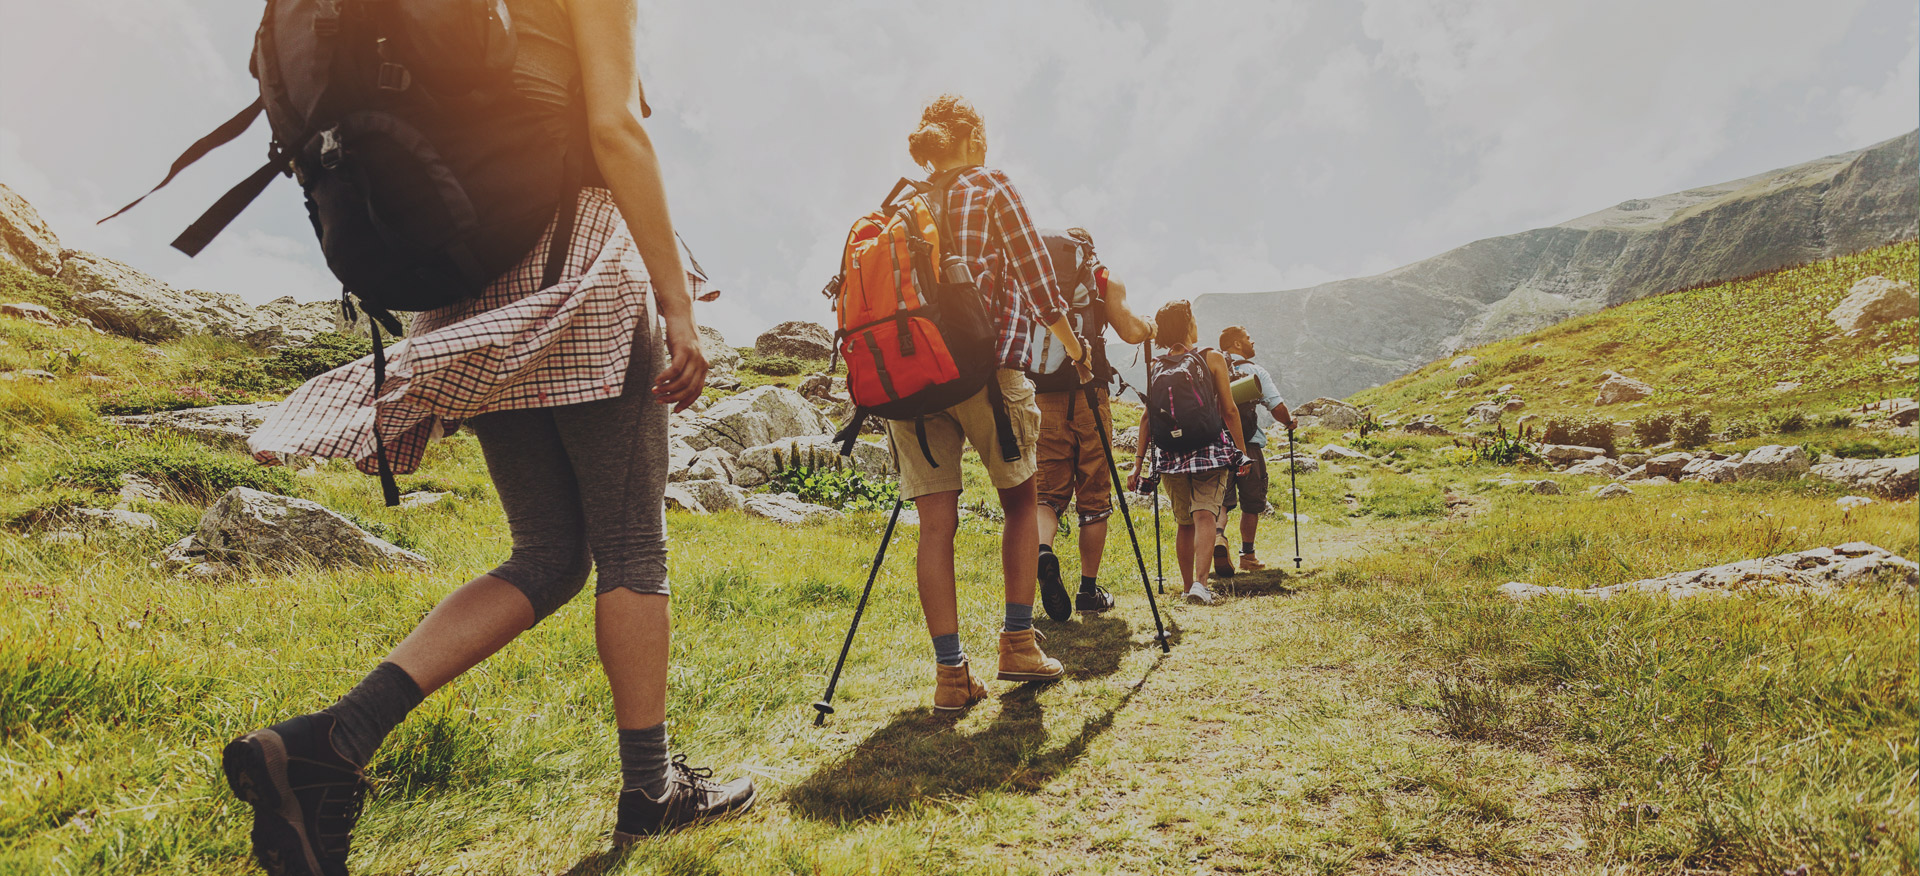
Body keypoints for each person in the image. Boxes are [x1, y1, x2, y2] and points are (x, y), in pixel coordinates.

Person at [227, 1, 754, 870]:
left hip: (467, 289)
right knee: (630, 548)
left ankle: (330, 744)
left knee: (546, 553)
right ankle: (651, 790)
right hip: (577, 267)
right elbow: (615, 128)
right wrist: (677, 301)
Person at [891, 94, 1087, 712]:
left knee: (935, 526)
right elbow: (1038, 281)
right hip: (983, 369)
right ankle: (1018, 644)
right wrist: (1073, 346)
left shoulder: (901, 202)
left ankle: (951, 675)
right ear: (972, 137)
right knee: (1022, 501)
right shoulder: (990, 184)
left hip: (912, 380)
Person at [1032, 242, 1153, 622]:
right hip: (1089, 391)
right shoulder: (1101, 275)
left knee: (1046, 493)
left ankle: (1042, 551)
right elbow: (1131, 330)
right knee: (1094, 493)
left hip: (1042, 393)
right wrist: (1149, 325)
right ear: (1089, 249)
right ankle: (1088, 590)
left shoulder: (1034, 271)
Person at [1127, 301, 1249, 605]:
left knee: (1184, 521)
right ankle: (1200, 584)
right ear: (1188, 325)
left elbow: (1147, 418)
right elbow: (1230, 410)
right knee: (1205, 513)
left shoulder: (1156, 365)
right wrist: (1241, 453)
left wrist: (1138, 464)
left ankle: (1185, 587)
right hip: (1209, 448)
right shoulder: (1211, 357)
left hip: (1169, 455)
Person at [1215, 325, 1296, 574]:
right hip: (1248, 443)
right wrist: (1289, 422)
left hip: (1217, 445)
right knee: (1252, 502)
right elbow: (1276, 406)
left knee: (1221, 502)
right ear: (1237, 344)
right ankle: (1247, 555)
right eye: (1248, 339)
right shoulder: (1253, 372)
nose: (1253, 342)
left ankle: (1218, 538)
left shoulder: (1213, 371)